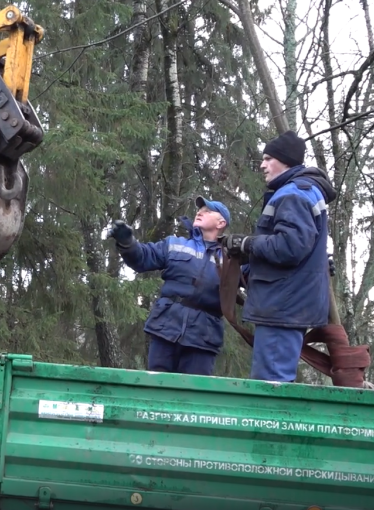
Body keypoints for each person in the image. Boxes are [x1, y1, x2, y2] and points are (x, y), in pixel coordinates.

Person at [222, 130, 337, 382]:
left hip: (282, 307)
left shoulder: (293, 193)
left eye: (267, 159)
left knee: (271, 385)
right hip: (287, 303)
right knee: (275, 380)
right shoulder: (302, 191)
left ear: (285, 160)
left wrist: (246, 243)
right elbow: (299, 250)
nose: (262, 165)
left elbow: (289, 248)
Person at [110, 197, 231, 375]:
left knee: (194, 394)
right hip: (165, 329)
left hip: (203, 337)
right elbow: (143, 257)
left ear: (221, 223)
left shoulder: (232, 259)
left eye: (207, 211)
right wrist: (127, 243)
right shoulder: (175, 244)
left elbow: (255, 280)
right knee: (158, 391)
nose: (199, 212)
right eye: (199, 210)